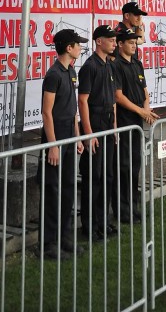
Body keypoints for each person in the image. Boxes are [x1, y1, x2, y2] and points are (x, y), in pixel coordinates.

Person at [38, 28, 86, 259]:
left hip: (69, 134)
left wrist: (77, 136)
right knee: (52, 190)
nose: (80, 48)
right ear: (69, 47)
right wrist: (53, 145)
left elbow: (73, 108)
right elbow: (46, 112)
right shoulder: (53, 74)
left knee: (67, 188)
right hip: (55, 135)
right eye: (78, 44)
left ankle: (64, 237)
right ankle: (48, 245)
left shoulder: (71, 71)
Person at [114, 28, 159, 223]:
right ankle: (123, 211)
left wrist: (146, 109)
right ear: (120, 44)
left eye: (135, 42)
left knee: (135, 166)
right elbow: (118, 96)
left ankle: (134, 207)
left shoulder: (137, 63)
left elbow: (144, 91)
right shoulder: (116, 65)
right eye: (130, 42)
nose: (134, 45)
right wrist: (141, 111)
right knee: (124, 167)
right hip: (124, 121)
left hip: (137, 122)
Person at [78, 24, 118, 242]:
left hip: (108, 123)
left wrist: (115, 127)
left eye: (114, 40)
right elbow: (83, 100)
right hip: (95, 122)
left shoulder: (109, 65)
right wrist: (88, 133)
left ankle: (103, 221)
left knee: (107, 175)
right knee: (93, 176)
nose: (114, 43)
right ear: (99, 41)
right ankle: (89, 225)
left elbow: (112, 99)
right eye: (110, 40)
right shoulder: (90, 66)